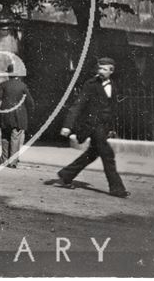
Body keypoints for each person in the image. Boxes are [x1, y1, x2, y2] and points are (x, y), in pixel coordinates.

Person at [56, 57, 130, 198]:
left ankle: (66, 174)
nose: (100, 71)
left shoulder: (114, 85)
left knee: (92, 154)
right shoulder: (90, 84)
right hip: (93, 126)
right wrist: (67, 126)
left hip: (104, 126)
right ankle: (117, 189)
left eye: (104, 69)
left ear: (111, 71)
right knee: (108, 155)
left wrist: (111, 128)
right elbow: (78, 105)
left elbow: (112, 109)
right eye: (99, 68)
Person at [0, 64, 34, 168]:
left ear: (8, 74)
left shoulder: (3, 85)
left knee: (5, 137)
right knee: (15, 137)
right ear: (18, 75)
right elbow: (30, 102)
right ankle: (13, 162)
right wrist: (30, 113)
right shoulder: (22, 86)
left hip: (5, 115)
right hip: (19, 116)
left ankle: (4, 160)